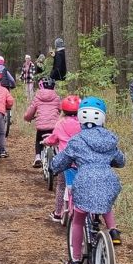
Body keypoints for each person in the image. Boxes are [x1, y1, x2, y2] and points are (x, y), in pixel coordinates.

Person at [50, 97, 125, 264]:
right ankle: (113, 231)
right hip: (108, 179)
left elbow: (61, 161)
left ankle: (75, 260)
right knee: (104, 199)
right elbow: (120, 161)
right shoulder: (110, 139)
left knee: (78, 220)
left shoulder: (77, 141)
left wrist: (55, 166)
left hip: (84, 180)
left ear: (81, 117)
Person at [42, 95, 81, 223]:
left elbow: (53, 139)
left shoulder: (60, 123)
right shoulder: (82, 124)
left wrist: (45, 141)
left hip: (65, 161)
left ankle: (58, 213)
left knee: (61, 185)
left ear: (63, 110)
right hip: (81, 160)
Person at [24, 78, 61, 168]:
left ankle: (37, 157)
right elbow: (61, 109)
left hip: (41, 127)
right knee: (57, 141)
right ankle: (58, 156)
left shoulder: (37, 97)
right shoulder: (57, 97)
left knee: (38, 140)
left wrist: (27, 118)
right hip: (54, 126)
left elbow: (30, 112)